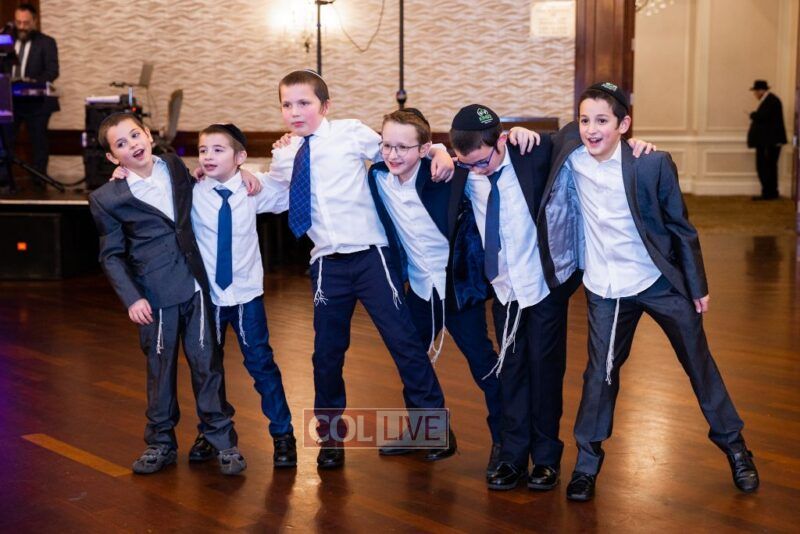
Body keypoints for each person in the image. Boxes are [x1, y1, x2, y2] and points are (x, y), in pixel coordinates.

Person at [538, 82, 759, 502]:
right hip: (606, 288)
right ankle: (586, 465)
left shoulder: (651, 163)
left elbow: (681, 228)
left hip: (659, 281)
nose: (591, 129)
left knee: (699, 363)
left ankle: (736, 448)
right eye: (584, 120)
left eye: (602, 121)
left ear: (624, 125)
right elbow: (524, 145)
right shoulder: (570, 152)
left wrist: (697, 286)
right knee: (599, 375)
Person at [267, 70, 456, 470]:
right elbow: (276, 193)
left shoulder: (350, 133)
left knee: (403, 342)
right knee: (326, 355)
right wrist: (241, 180)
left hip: (372, 256)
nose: (295, 111)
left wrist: (438, 150)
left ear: (325, 106)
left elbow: (400, 150)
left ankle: (434, 430)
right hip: (326, 263)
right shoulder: (285, 153)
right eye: (287, 104)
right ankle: (330, 440)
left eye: (304, 103)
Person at [366, 108, 538, 474]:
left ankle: (505, 442)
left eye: (403, 147)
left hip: (458, 288)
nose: (393, 154)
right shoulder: (377, 177)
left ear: (423, 148)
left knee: (484, 364)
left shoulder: (447, 175)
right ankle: (427, 432)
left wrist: (441, 152)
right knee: (411, 360)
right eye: (387, 145)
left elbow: (484, 167)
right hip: (419, 287)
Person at [88, 112, 245, 475]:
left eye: (135, 135)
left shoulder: (174, 166)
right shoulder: (107, 198)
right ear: (112, 157)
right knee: (160, 370)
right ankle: (160, 443)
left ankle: (222, 439)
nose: (132, 145)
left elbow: (204, 183)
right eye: (121, 144)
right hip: (154, 295)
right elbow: (111, 255)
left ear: (148, 134)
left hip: (196, 285)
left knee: (208, 364)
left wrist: (244, 174)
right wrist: (132, 298)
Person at [448, 104, 582, 492]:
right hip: (504, 291)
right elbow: (416, 157)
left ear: (502, 141)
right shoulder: (465, 171)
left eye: (483, 161)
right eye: (467, 164)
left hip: (542, 287)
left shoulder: (531, 155)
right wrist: (441, 154)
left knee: (545, 373)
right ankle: (512, 456)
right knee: (511, 373)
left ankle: (546, 458)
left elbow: (575, 133)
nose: (477, 170)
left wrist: (532, 133)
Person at [189, 123, 297, 468]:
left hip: (246, 296)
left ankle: (283, 433)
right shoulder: (191, 191)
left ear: (240, 157)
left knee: (261, 364)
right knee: (207, 368)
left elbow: (290, 186)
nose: (208, 156)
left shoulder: (254, 189)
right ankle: (212, 430)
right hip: (208, 298)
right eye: (203, 150)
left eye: (218, 150)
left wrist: (279, 155)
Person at [9, 3, 59, 185]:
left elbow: (52, 71)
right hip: (10, 102)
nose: (22, 27)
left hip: (37, 103)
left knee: (39, 142)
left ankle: (39, 181)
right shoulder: (5, 41)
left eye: (26, 23)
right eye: (18, 22)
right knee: (5, 141)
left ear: (34, 21)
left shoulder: (47, 42)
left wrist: (31, 82)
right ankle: (6, 180)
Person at [747, 79, 787, 200]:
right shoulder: (771, 100)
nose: (755, 94)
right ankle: (770, 192)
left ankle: (769, 193)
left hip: (769, 142)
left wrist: (753, 115)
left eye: (755, 91)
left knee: (766, 167)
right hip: (769, 141)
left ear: (761, 91)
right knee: (769, 167)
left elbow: (763, 118)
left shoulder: (771, 101)